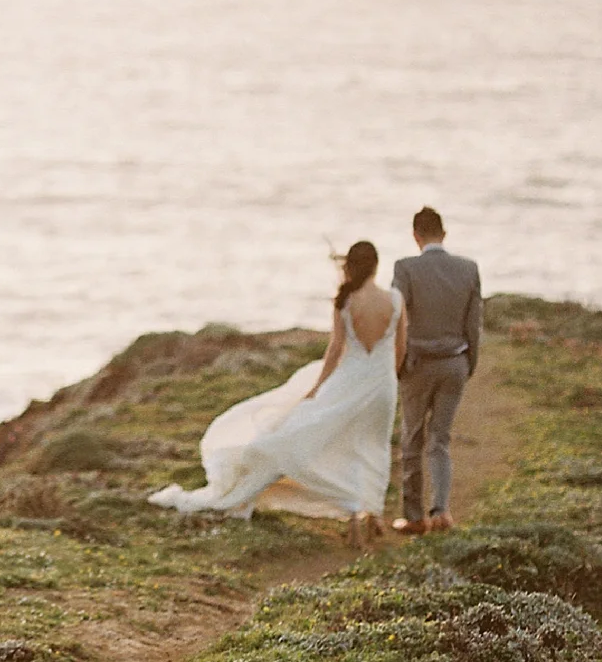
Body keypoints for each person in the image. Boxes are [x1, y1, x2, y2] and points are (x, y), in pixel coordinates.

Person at [147, 241, 400, 538]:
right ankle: (372, 513)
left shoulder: (345, 301)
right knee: (374, 446)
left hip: (349, 381)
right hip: (382, 385)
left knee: (339, 444)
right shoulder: (395, 299)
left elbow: (335, 351)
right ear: (376, 266)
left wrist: (317, 389)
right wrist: (388, 379)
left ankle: (357, 514)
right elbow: (401, 347)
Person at [389, 206, 480, 534]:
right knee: (440, 439)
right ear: (444, 233)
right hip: (455, 362)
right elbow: (474, 324)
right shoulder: (468, 269)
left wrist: (397, 364)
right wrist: (469, 363)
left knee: (412, 440)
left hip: (418, 365)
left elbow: (397, 319)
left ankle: (414, 517)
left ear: (416, 235)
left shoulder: (405, 268)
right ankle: (441, 510)